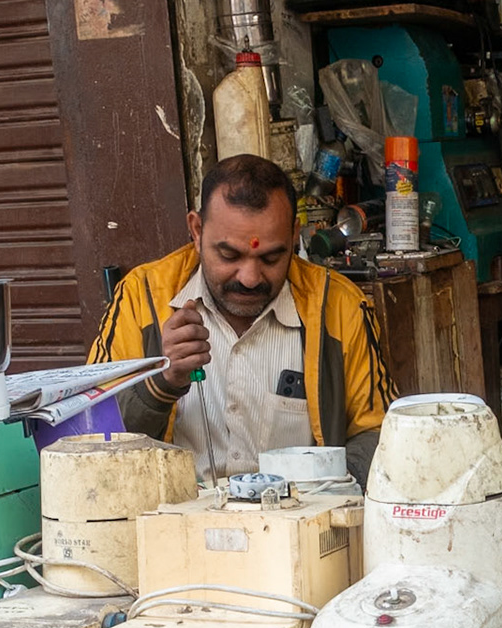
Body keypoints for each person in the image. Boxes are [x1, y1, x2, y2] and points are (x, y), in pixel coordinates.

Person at [87, 154, 394, 482]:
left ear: (294, 234)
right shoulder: (141, 298)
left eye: (271, 257)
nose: (250, 277)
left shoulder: (339, 307)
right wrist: (160, 385)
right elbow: (89, 439)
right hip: (172, 527)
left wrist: (322, 500)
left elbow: (381, 434)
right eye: (229, 255)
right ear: (196, 229)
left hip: (300, 525)